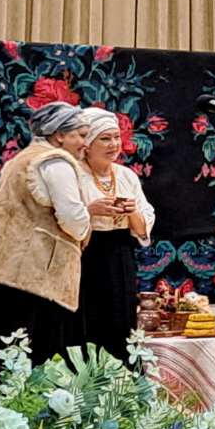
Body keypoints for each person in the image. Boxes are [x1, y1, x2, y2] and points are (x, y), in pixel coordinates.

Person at [0, 102, 118, 359]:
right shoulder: (56, 162)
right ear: (59, 135)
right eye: (80, 135)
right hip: (30, 276)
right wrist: (86, 222)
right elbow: (72, 218)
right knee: (27, 357)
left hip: (0, 269)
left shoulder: (22, 158)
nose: (84, 143)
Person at [76, 107, 156, 360]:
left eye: (116, 137)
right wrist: (91, 211)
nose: (113, 145)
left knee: (120, 321)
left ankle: (120, 380)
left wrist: (132, 212)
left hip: (119, 254)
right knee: (86, 321)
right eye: (105, 138)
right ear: (87, 144)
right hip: (85, 254)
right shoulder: (74, 174)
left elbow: (142, 230)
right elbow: (61, 217)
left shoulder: (125, 175)